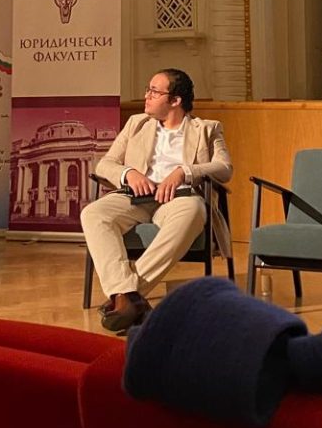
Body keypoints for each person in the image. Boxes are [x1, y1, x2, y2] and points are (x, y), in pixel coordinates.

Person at [81, 69, 233, 333]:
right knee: (93, 214)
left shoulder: (207, 129)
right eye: (148, 89)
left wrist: (184, 172)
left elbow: (224, 168)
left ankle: (125, 298)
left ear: (175, 100)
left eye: (154, 91)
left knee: (194, 210)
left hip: (179, 198)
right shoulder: (136, 124)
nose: (146, 96)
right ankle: (130, 297)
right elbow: (105, 164)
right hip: (135, 197)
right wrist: (129, 173)